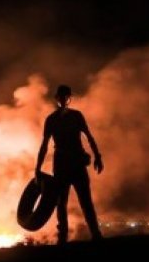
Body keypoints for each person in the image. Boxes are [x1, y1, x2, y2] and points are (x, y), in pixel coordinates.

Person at [35, 85, 104, 244]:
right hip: (62, 164)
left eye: (66, 97)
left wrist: (98, 156)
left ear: (69, 98)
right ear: (57, 98)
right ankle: (63, 237)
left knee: (86, 202)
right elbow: (44, 145)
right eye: (61, 97)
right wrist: (37, 168)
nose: (63, 99)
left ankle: (95, 234)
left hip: (77, 162)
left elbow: (89, 137)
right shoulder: (51, 119)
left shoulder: (76, 116)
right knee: (61, 203)